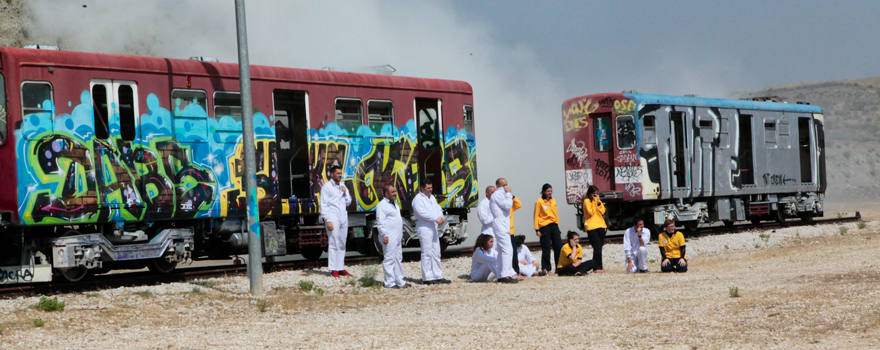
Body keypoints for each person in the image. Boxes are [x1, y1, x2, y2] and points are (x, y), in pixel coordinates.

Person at [412, 180, 451, 284]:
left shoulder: (432, 198)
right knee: (427, 252)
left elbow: (438, 208)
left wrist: (441, 217)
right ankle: (427, 277)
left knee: (436, 251)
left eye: (431, 188)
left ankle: (438, 275)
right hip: (424, 227)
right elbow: (421, 213)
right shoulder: (418, 199)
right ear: (422, 188)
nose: (430, 190)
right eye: (428, 188)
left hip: (433, 227)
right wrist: (435, 218)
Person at [320, 165, 353, 278]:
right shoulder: (327, 187)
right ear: (332, 174)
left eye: (340, 173)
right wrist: (327, 220)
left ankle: (340, 267)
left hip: (343, 215)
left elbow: (348, 202)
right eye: (338, 173)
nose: (340, 175)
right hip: (332, 216)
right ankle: (333, 269)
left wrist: (344, 193)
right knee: (334, 242)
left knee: (342, 242)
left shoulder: (343, 185)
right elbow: (323, 205)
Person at [376, 184, 406, 288]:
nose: (395, 193)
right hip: (389, 235)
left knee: (398, 258)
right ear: (386, 193)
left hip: (397, 236)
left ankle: (399, 280)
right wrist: (384, 234)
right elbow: (380, 221)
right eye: (392, 192)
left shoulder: (395, 204)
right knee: (389, 258)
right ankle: (389, 282)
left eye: (395, 191)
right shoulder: (382, 205)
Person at [490, 177, 518, 283]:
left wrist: (507, 195)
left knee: (502, 251)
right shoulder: (497, 195)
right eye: (503, 185)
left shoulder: (502, 195)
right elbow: (507, 205)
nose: (506, 187)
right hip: (500, 225)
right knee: (507, 249)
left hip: (504, 225)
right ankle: (506, 274)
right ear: (498, 186)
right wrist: (509, 194)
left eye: (506, 185)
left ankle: (501, 274)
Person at [534, 183, 561, 274]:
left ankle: (559, 267)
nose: (549, 193)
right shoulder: (539, 202)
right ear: (543, 192)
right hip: (544, 226)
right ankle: (547, 268)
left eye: (550, 191)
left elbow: (556, 213)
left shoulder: (553, 201)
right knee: (546, 248)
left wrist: (557, 224)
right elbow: (536, 216)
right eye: (547, 191)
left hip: (554, 225)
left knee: (558, 246)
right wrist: (536, 229)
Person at [583, 185, 607, 273]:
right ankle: (597, 267)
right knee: (596, 246)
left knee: (599, 247)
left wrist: (598, 202)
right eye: (593, 193)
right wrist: (594, 201)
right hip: (592, 226)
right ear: (589, 194)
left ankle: (596, 266)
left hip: (601, 225)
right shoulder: (586, 201)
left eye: (596, 193)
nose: (595, 195)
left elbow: (602, 211)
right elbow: (590, 212)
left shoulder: (597, 201)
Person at [509, 195, 522, 275]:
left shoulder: (510, 208)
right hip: (504, 232)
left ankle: (516, 271)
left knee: (514, 252)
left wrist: (512, 196)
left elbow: (518, 204)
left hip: (511, 232)